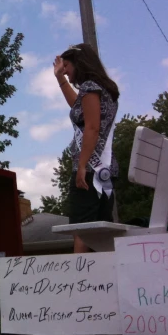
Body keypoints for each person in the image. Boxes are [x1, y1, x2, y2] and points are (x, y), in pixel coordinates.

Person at [54, 43, 120, 253]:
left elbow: (91, 127)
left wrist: (82, 165)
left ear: (78, 63)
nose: (65, 71)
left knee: (82, 229)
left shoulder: (90, 87)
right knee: (101, 231)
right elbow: (78, 108)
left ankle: (79, 280)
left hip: (91, 169)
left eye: (66, 66)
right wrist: (60, 79)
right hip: (105, 169)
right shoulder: (103, 88)